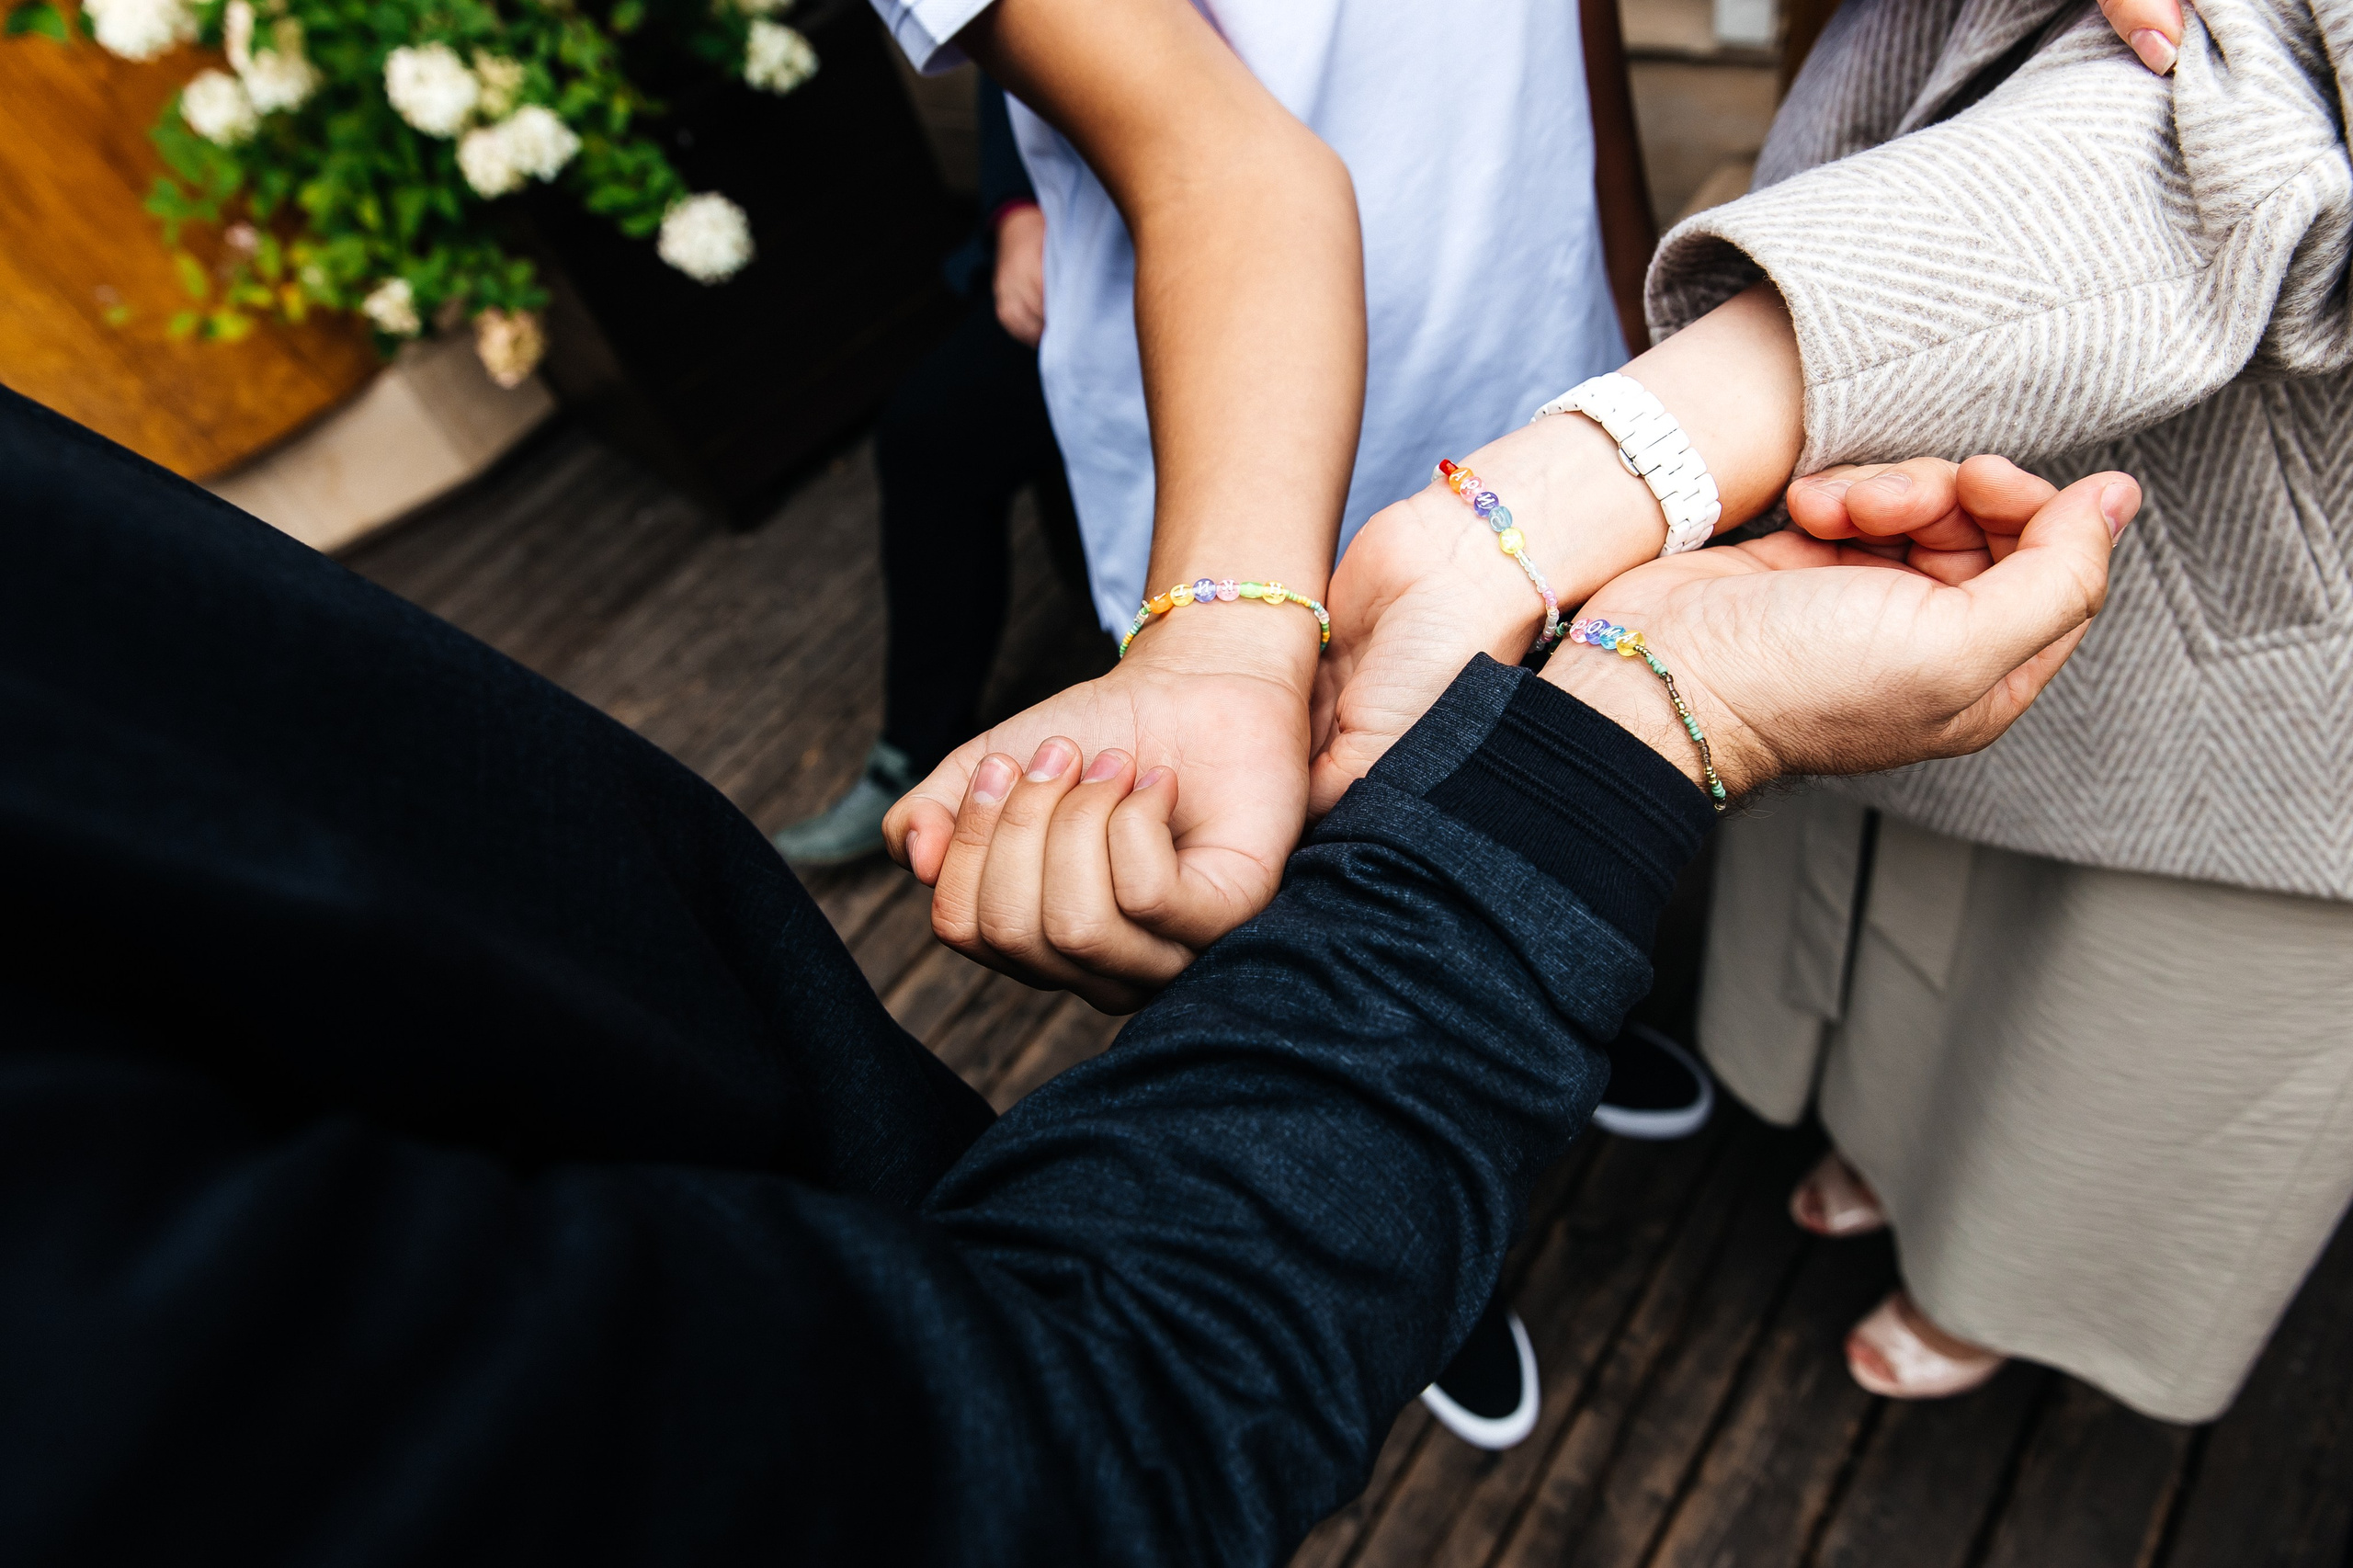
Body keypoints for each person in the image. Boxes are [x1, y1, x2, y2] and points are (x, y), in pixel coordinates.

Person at [0, 362, 2134, 1561]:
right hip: (1055, 1315)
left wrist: (1237, 633)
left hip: (923, 1199)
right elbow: (1055, 1451)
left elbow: (1218, 145)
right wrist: (1659, 713)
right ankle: (1410, 1254)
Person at [772, 74, 1091, 867]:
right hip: (1078, 224)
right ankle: (916, 749)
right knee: (933, 434)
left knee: (1083, 493)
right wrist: (1018, 211)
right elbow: (1014, 64)